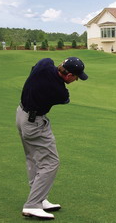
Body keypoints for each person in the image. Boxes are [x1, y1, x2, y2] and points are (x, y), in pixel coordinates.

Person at [16, 57, 88, 219]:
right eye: (76, 77)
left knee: (33, 159)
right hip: (34, 124)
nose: (76, 80)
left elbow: (39, 65)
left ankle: (39, 198)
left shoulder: (45, 64)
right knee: (51, 163)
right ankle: (33, 204)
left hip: (21, 114)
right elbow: (65, 99)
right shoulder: (59, 90)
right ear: (68, 75)